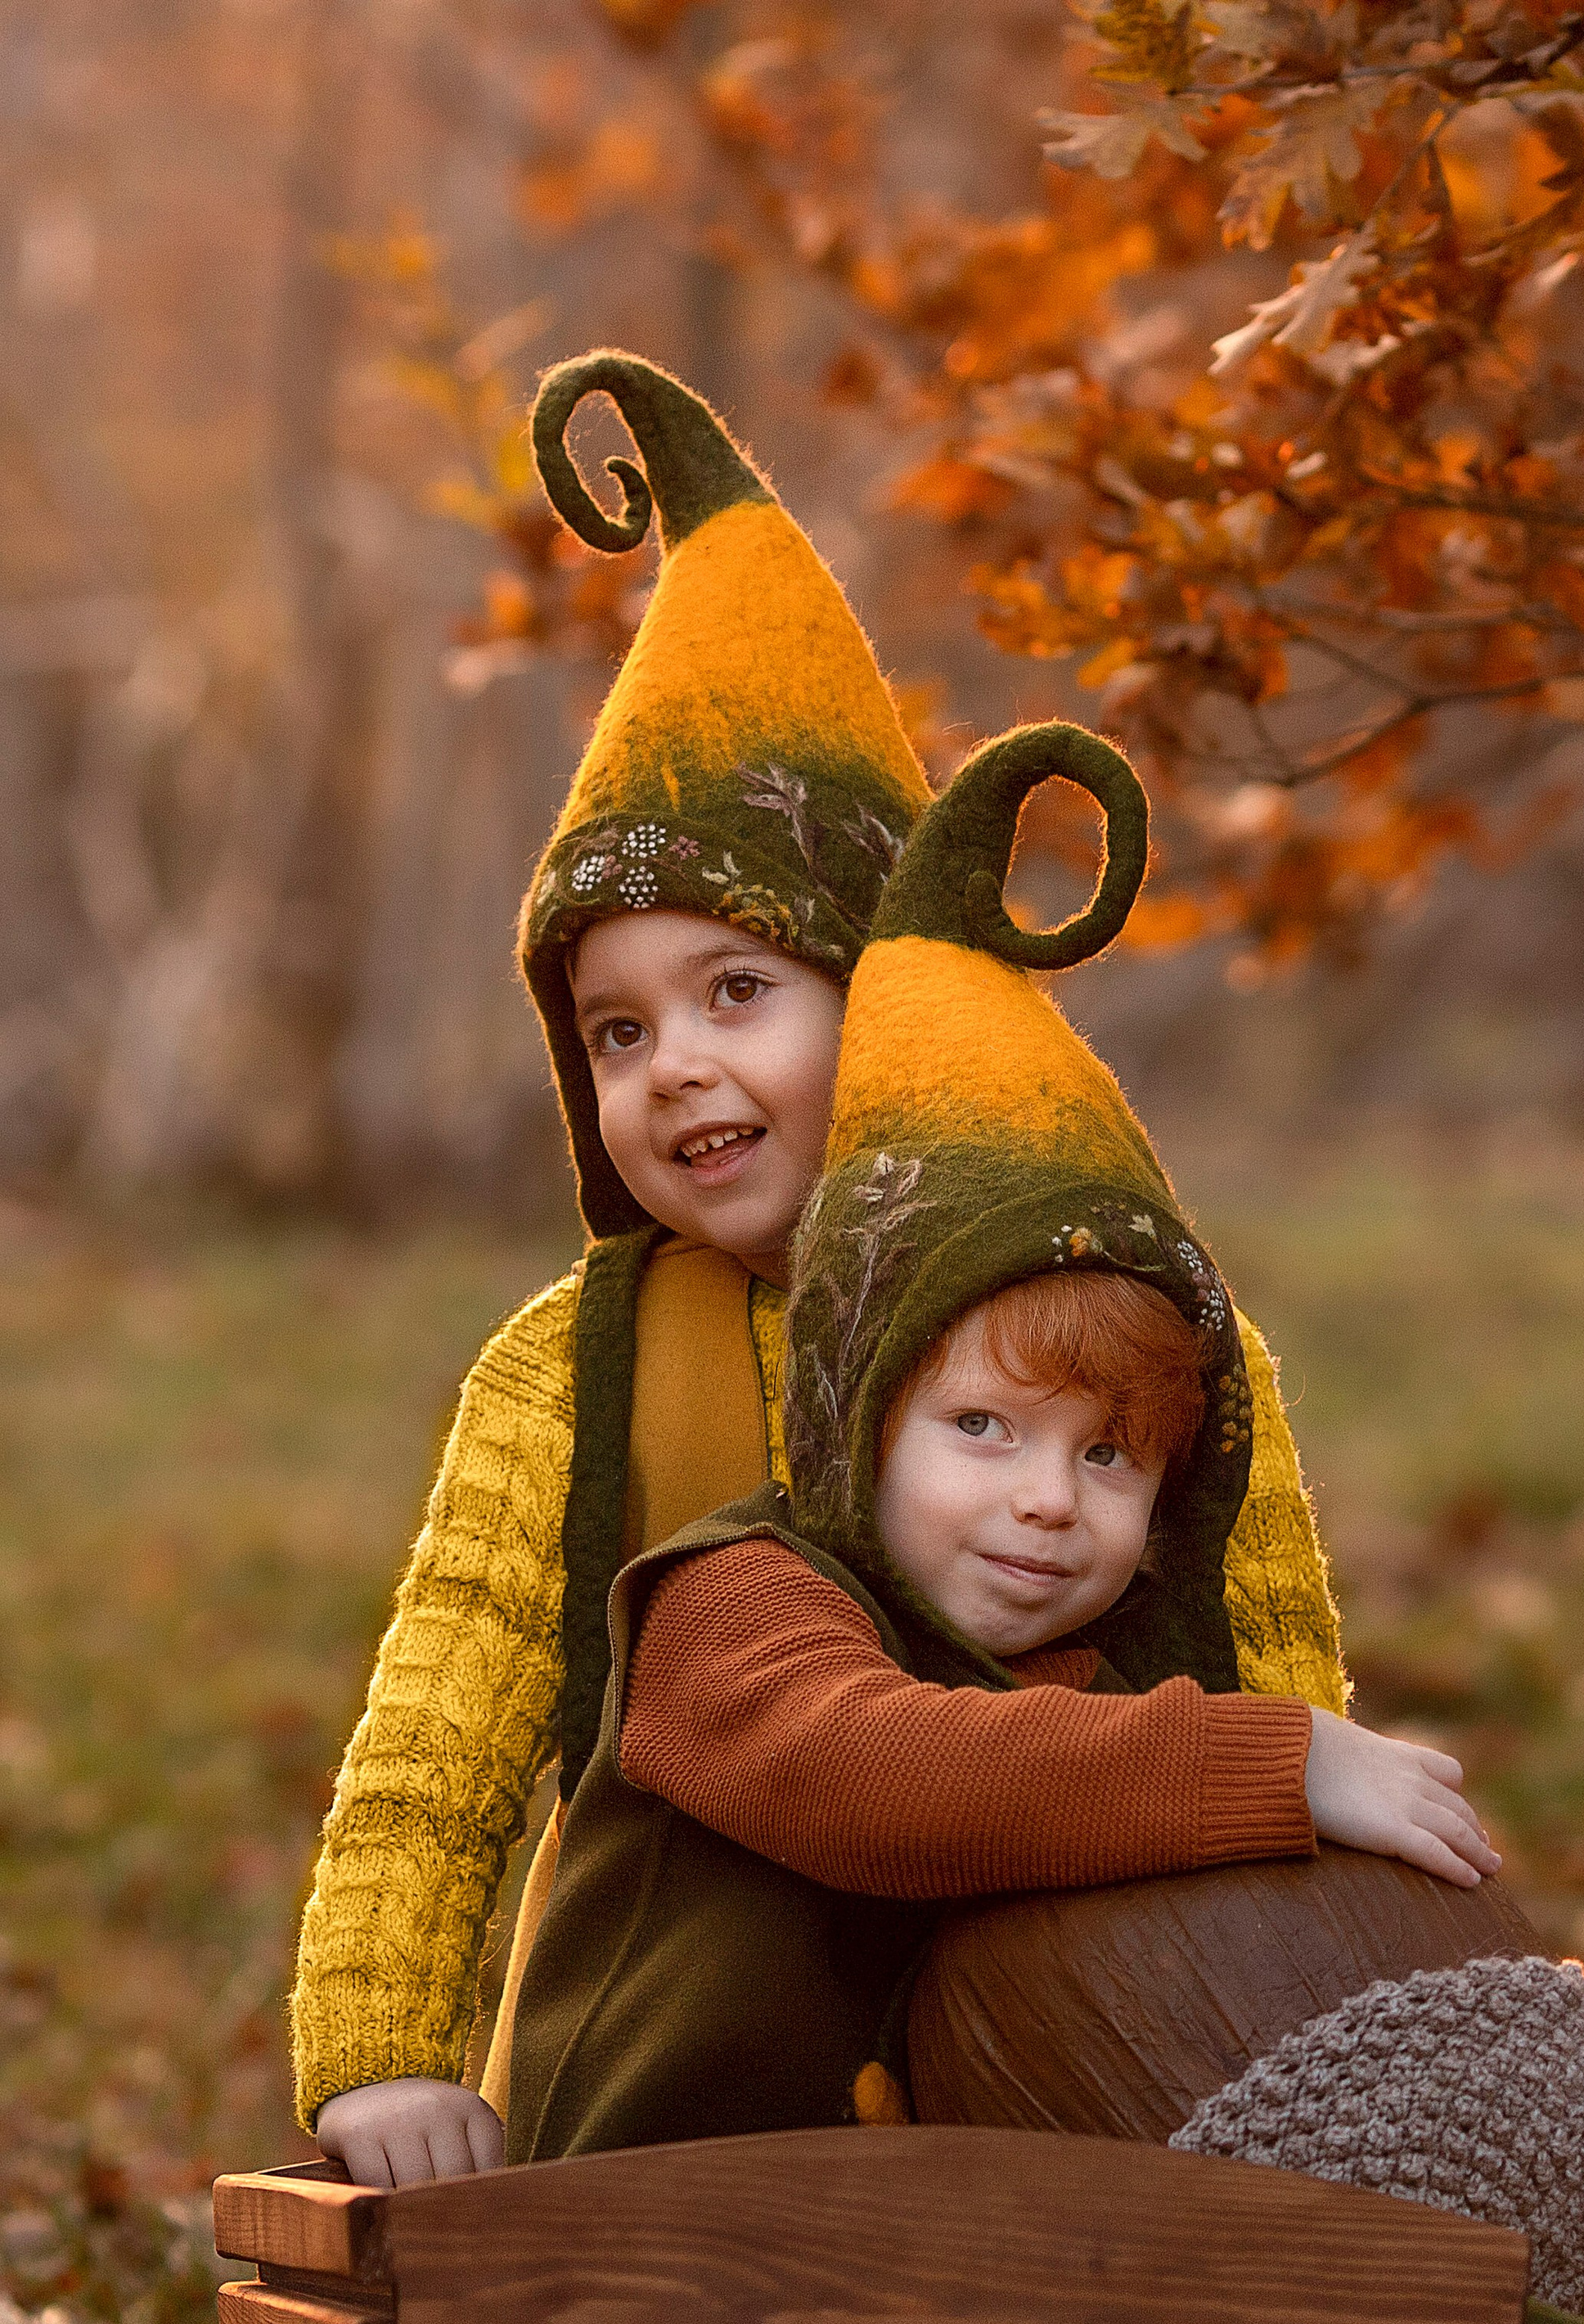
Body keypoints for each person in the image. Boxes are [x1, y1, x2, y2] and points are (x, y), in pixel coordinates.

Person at [290, 354, 1353, 2189]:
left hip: (1078, 2086)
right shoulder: (583, 1368)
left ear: (888, 1002)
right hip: (691, 2124)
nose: (674, 1064)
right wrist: (384, 2057)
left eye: (735, 993)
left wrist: (1318, 1984)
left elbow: (1276, 1684)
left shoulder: (1122, 1332)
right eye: (613, 1033)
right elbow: (437, 1753)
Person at [502, 723, 1496, 2160]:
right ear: (858, 1421)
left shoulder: (1078, 1667)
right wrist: (1273, 1766)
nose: (1044, 1502)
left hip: (929, 2208)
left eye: (1106, 1459)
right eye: (980, 1429)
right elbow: (890, 1780)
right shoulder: (733, 1608)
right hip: (655, 2222)